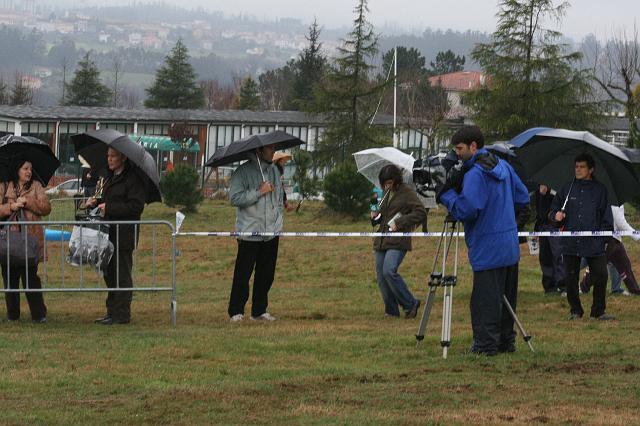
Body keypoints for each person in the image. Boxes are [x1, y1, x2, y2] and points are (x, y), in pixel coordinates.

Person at [437, 125, 530, 356]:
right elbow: (522, 196)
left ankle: (485, 346)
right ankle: (506, 342)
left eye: (459, 148)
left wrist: (447, 194)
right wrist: (511, 223)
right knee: (506, 297)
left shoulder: (475, 174)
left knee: (485, 300)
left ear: (473, 146)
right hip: (508, 244)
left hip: (488, 247)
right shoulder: (503, 166)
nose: (456, 154)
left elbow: (468, 210)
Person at [550, 153, 614, 320]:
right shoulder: (566, 188)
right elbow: (552, 212)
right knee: (570, 278)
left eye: (582, 167)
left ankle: (598, 312)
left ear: (591, 169)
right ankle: (575, 310)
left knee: (601, 275)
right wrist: (555, 216)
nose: (578, 170)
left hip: (594, 242)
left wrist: (604, 239)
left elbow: (607, 217)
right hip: (571, 242)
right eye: (576, 166)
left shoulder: (601, 190)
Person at [86, 147, 147, 325]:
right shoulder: (108, 177)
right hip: (107, 234)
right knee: (110, 274)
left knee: (122, 275)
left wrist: (109, 208)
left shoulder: (133, 179)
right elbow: (103, 198)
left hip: (124, 235)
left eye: (113, 156)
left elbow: (136, 207)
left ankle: (121, 314)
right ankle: (111, 311)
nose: (109, 159)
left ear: (123, 158)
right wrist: (94, 202)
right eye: (108, 155)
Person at [228, 144, 284, 322]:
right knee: (243, 274)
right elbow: (235, 198)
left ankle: (259, 310)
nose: (273, 152)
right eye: (270, 149)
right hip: (249, 231)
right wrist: (259, 192)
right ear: (259, 151)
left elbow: (279, 197)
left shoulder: (275, 170)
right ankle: (236, 311)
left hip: (271, 232)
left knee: (267, 274)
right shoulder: (242, 172)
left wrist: (278, 221)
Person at [371, 164, 426, 319]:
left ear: (396, 180)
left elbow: (420, 212)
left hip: (398, 240)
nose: (387, 185)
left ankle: (410, 304)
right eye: (384, 183)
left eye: (389, 182)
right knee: (381, 277)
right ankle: (391, 311)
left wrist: (400, 222)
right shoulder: (381, 193)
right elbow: (380, 217)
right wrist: (375, 215)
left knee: (389, 271)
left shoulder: (407, 192)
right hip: (381, 240)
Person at [0, 158, 51, 323]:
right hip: (9, 241)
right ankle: (13, 315)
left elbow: (46, 208)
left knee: (31, 278)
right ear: (17, 170)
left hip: (30, 241)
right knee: (10, 278)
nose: (29, 172)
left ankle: (38, 314)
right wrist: (11, 207)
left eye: (30, 168)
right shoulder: (5, 186)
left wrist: (28, 202)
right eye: (25, 168)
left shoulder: (36, 186)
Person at [580, 204, 640, 296]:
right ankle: (582, 288)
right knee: (597, 266)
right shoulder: (615, 203)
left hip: (613, 239)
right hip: (608, 240)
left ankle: (634, 291)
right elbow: (621, 223)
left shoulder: (605, 198)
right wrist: (637, 236)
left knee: (625, 265)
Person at [534, 184, 565, 294]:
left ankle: (562, 285)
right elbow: (539, 211)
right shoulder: (539, 190)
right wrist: (542, 195)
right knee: (545, 256)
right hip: (543, 226)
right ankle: (549, 286)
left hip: (555, 226)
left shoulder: (559, 189)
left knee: (558, 255)